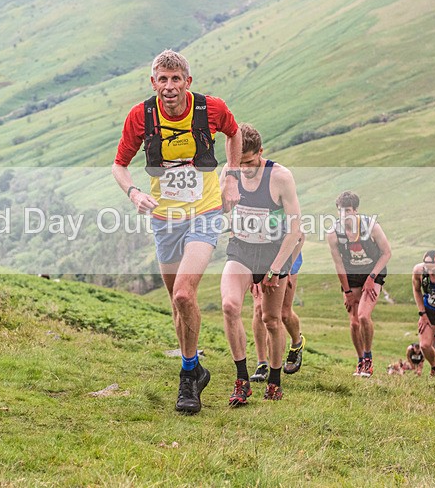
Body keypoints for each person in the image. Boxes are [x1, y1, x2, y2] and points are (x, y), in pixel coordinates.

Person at [112, 49, 242, 414]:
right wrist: (134, 191)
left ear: (187, 81)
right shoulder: (141, 116)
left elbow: (234, 134)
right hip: (164, 218)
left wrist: (230, 179)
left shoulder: (210, 109)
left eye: (175, 79)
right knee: (176, 302)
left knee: (185, 295)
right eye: (162, 79)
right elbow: (119, 165)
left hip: (205, 211)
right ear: (153, 83)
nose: (169, 87)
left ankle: (188, 377)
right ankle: (195, 367)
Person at [218, 124, 302, 405]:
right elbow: (222, 210)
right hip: (241, 249)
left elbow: (295, 228)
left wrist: (277, 268)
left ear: (261, 153)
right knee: (230, 306)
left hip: (272, 253)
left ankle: (275, 380)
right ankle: (242, 380)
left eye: (251, 162)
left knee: (271, 319)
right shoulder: (230, 173)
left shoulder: (280, 176)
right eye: (240, 163)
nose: (246, 169)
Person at [326, 191, 391, 378]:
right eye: (340, 211)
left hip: (373, 272)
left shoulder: (371, 227)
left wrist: (371, 278)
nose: (344, 214)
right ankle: (360, 360)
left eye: (348, 210)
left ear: (355, 211)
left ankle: (368, 359)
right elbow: (338, 264)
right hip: (351, 275)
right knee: (354, 323)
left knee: (363, 316)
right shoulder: (333, 234)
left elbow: (386, 253)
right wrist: (347, 291)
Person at [250, 239, 305, 383]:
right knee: (259, 309)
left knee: (284, 314)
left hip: (288, 257)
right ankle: (262, 363)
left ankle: (297, 342)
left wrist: (286, 270)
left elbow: (299, 236)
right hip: (260, 257)